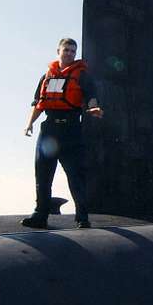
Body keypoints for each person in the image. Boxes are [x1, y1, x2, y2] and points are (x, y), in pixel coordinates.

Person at [21, 38, 103, 230]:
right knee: (42, 175)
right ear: (58, 50)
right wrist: (29, 124)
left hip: (71, 131)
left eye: (73, 51)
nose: (69, 54)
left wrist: (94, 109)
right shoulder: (47, 76)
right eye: (66, 50)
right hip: (48, 130)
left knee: (75, 176)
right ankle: (40, 215)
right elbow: (39, 104)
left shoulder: (82, 76)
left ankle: (82, 217)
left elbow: (91, 97)